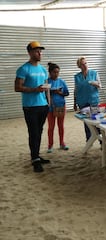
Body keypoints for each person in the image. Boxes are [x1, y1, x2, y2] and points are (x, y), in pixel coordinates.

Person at [14, 41, 50, 172]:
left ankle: (37, 155)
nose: (40, 53)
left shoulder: (43, 70)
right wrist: (35, 90)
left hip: (43, 106)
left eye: (40, 51)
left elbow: (45, 88)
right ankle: (35, 159)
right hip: (30, 107)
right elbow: (17, 87)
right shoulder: (24, 69)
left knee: (39, 131)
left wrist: (48, 104)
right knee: (33, 132)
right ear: (29, 53)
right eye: (36, 51)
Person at [73, 56, 101, 141]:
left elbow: (100, 85)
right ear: (79, 66)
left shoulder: (94, 73)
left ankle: (101, 140)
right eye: (82, 64)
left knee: (96, 119)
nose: (85, 65)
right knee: (86, 121)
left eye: (85, 63)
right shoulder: (77, 76)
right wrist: (74, 103)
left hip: (93, 101)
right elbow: (76, 90)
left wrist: (94, 83)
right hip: (82, 102)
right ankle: (89, 139)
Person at [46, 62, 70, 153]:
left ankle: (62, 143)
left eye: (57, 72)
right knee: (51, 127)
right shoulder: (46, 82)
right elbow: (44, 93)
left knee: (61, 126)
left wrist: (60, 93)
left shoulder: (62, 82)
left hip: (60, 106)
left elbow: (67, 93)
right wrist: (53, 91)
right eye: (54, 72)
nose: (56, 74)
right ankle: (50, 145)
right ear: (50, 72)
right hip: (50, 107)